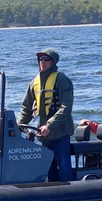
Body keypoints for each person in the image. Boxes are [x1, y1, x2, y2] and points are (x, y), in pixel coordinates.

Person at [17, 48, 75, 182]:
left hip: (60, 135)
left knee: (65, 172)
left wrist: (50, 125)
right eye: (40, 59)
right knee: (50, 173)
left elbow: (66, 107)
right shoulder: (34, 83)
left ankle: (70, 198)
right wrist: (18, 127)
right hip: (44, 137)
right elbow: (26, 107)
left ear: (53, 62)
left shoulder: (61, 79)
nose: (42, 62)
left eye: (46, 59)